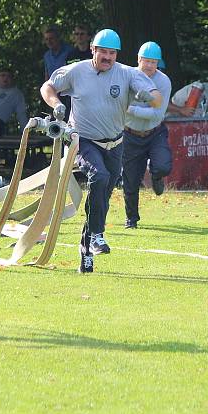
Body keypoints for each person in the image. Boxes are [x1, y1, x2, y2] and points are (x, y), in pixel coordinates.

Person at [40, 28, 161, 273]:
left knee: (103, 192)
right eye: (103, 51)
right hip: (82, 139)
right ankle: (97, 234)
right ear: (93, 50)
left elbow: (155, 95)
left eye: (112, 53)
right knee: (100, 176)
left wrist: (152, 97)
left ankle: (87, 247)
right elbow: (48, 87)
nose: (107, 57)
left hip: (115, 143)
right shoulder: (77, 71)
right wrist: (56, 104)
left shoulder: (127, 73)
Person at [122, 41, 173, 229]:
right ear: (138, 60)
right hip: (130, 134)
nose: (149, 66)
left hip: (155, 132)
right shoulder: (127, 77)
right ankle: (131, 220)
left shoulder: (163, 82)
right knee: (130, 179)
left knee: (163, 166)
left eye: (153, 62)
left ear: (158, 63)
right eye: (146, 61)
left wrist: (131, 109)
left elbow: (157, 114)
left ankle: (156, 176)